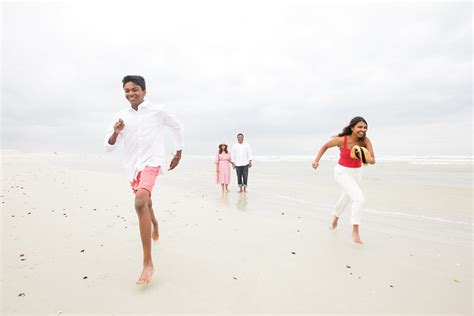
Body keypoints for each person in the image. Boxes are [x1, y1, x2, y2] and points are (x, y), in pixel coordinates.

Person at [104, 75, 183, 284]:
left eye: (135, 89)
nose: (131, 94)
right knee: (146, 202)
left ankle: (148, 264)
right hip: (132, 167)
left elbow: (177, 127)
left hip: (152, 163)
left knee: (140, 202)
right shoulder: (121, 116)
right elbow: (109, 146)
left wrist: (178, 152)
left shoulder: (158, 111)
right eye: (127, 91)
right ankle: (155, 224)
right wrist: (115, 132)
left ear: (144, 91)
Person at [312, 117, 375, 244]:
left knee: (345, 198)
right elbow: (325, 146)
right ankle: (355, 232)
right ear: (352, 128)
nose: (363, 129)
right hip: (342, 172)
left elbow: (373, 160)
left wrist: (362, 155)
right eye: (360, 127)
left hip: (357, 173)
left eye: (364, 127)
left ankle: (334, 219)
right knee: (359, 198)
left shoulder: (365, 141)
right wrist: (316, 160)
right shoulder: (342, 140)